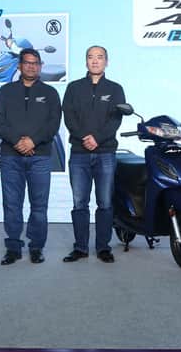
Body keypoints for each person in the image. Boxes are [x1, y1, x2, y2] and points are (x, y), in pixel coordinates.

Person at [0, 48, 62, 265]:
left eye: (35, 63)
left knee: (39, 206)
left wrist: (33, 141)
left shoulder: (50, 93)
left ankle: (36, 247)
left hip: (40, 157)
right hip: (11, 157)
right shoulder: (5, 91)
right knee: (12, 204)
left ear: (40, 66)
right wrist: (17, 142)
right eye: (27, 62)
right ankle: (13, 248)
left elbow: (53, 124)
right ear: (19, 66)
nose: (31, 66)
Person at [62, 45, 125, 264]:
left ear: (106, 61)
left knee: (105, 202)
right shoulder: (74, 88)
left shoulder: (115, 89)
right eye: (91, 57)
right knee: (79, 202)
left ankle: (103, 248)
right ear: (86, 61)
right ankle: (80, 248)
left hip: (105, 152)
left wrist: (97, 138)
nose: (95, 61)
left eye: (99, 57)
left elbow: (116, 119)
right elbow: (69, 117)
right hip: (79, 153)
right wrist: (84, 137)